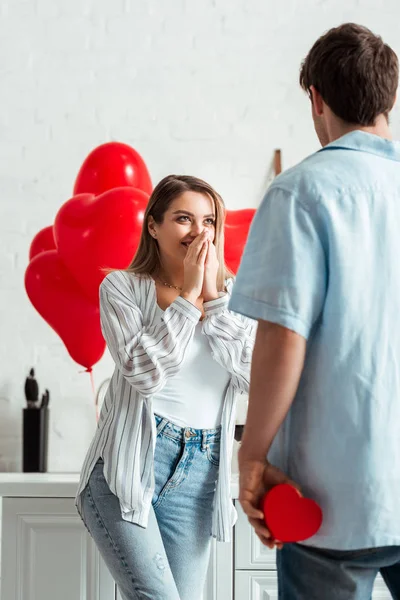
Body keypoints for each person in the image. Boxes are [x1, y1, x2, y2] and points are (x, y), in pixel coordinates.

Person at [229, 22, 400, 600]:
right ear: (389, 98)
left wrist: (251, 456)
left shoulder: (300, 192)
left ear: (317, 100)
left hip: (328, 502)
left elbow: (283, 339)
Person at [75, 174, 255, 600]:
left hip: (201, 470)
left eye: (208, 220)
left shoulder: (235, 298)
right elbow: (144, 372)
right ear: (153, 226)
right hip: (128, 470)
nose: (199, 232)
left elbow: (254, 377)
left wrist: (213, 298)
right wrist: (189, 295)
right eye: (183, 218)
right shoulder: (122, 288)